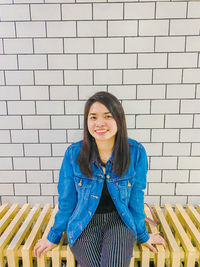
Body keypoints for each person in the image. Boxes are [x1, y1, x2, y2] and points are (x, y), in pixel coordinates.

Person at [34, 91, 166, 266]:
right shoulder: (74, 154)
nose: (100, 123)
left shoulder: (135, 152)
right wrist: (53, 236)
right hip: (83, 223)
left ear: (119, 119)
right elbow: (67, 201)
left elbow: (136, 197)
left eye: (108, 116)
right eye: (93, 117)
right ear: (87, 121)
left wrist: (142, 234)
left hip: (119, 222)